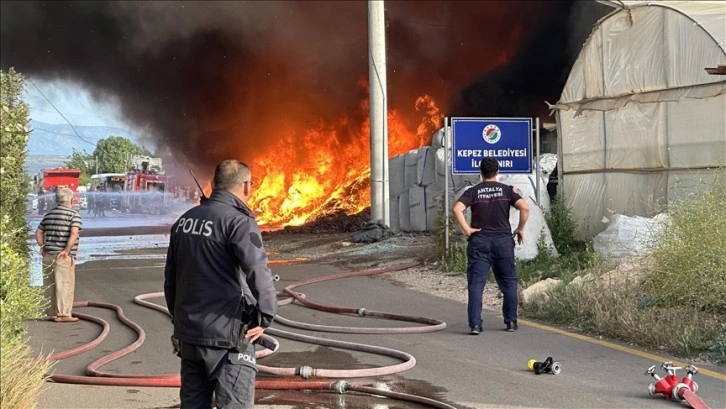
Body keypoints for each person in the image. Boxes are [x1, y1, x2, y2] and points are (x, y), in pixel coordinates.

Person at [164, 159, 277, 409]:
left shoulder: (183, 222)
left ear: (214, 184)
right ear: (247, 186)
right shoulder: (238, 222)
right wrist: (265, 317)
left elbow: (170, 279)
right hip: (226, 338)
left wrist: (179, 321)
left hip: (189, 335)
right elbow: (258, 271)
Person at [451, 157, 529, 335]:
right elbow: (525, 208)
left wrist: (467, 229)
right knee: (509, 282)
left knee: (477, 284)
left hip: (479, 241)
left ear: (480, 172)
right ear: (498, 171)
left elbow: (456, 208)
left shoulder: (473, 191)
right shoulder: (507, 191)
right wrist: (520, 229)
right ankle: (510, 322)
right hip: (502, 242)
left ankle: (475, 325)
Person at [35, 187, 82, 323]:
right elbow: (74, 233)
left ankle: (52, 313)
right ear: (71, 200)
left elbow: (38, 232)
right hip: (63, 257)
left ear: (57, 201)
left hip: (48, 255)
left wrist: (43, 246)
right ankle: (63, 314)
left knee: (50, 285)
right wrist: (67, 250)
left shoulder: (48, 215)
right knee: (64, 284)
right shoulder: (73, 215)